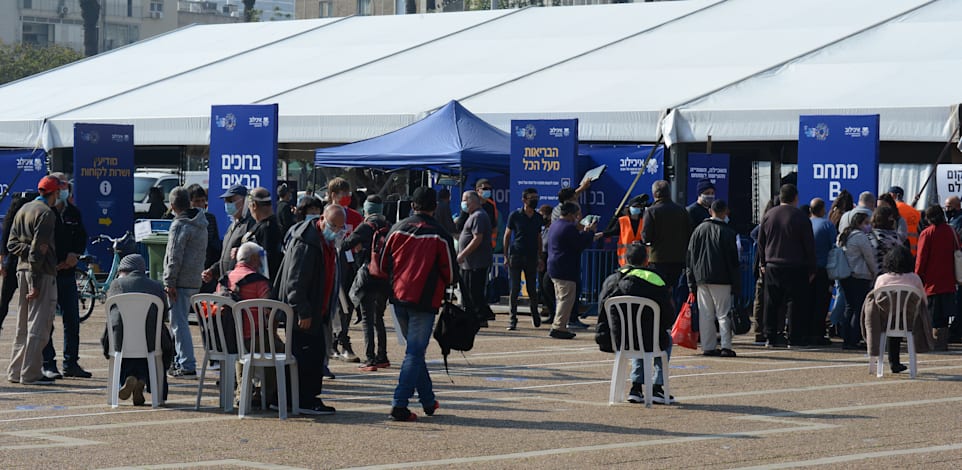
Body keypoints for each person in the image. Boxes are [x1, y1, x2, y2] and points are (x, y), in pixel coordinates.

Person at [379, 187, 456, 421]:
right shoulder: (439, 233)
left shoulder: (397, 228)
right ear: (435, 206)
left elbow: (383, 264)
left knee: (415, 352)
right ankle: (399, 404)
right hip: (424, 299)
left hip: (398, 296)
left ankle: (428, 401)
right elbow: (451, 273)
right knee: (414, 352)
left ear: (412, 205)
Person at [273, 204, 343, 415]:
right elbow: (295, 282)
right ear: (322, 219)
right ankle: (303, 399)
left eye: (340, 228)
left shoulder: (323, 240)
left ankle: (297, 398)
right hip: (304, 311)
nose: (336, 231)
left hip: (317, 309)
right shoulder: (307, 242)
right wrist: (302, 311)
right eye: (333, 226)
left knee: (313, 355)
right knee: (306, 358)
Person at [598, 243, 674, 404]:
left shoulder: (611, 280)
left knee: (639, 335)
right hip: (649, 339)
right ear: (646, 260)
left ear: (625, 259)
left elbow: (602, 311)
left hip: (619, 340)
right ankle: (657, 387)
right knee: (659, 337)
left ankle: (636, 387)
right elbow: (668, 314)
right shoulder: (655, 280)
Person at [6, 175, 63, 385]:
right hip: (40, 273)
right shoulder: (47, 214)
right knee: (39, 324)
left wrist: (27, 251)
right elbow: (39, 250)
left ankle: (15, 370)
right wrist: (35, 282)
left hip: (21, 271)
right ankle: (30, 373)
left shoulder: (23, 209)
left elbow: (11, 244)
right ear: (55, 192)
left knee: (22, 325)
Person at [101, 254, 172, 405]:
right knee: (158, 344)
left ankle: (131, 378)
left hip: (121, 341)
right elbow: (164, 314)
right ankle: (143, 380)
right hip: (151, 342)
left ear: (124, 270)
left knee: (120, 339)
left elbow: (112, 315)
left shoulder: (116, 285)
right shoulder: (156, 286)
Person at [42, 174, 91, 379]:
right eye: (60, 186)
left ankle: (71, 363)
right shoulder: (45, 212)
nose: (63, 190)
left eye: (65, 186)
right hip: (49, 274)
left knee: (72, 319)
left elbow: (81, 238)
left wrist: (75, 255)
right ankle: (48, 363)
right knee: (46, 321)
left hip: (68, 275)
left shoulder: (74, 213)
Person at [757, 184, 816, 348]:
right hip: (796, 265)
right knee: (795, 303)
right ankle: (794, 337)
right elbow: (809, 245)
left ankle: (770, 336)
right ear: (795, 198)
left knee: (771, 302)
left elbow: (761, 242)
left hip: (772, 264)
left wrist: (762, 262)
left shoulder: (769, 215)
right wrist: (812, 268)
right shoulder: (800, 216)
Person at [226, 242, 280, 406]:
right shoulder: (259, 281)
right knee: (279, 350)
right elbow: (270, 311)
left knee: (242, 353)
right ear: (255, 258)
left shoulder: (226, 278)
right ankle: (268, 393)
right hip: (254, 338)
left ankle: (242, 393)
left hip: (229, 339)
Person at [163, 186, 208, 378]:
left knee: (178, 323)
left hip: (179, 281)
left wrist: (169, 281)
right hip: (195, 278)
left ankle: (186, 363)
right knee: (186, 323)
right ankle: (182, 360)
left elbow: (174, 255)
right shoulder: (201, 222)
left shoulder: (179, 225)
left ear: (172, 206)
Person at [343, 195, 391, 371]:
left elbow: (345, 244)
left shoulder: (365, 227)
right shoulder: (389, 227)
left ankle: (370, 359)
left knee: (367, 319)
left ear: (367, 209)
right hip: (385, 278)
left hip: (368, 277)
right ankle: (382, 356)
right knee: (379, 317)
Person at [686, 200, 740, 357]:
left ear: (710, 211)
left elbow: (690, 257)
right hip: (722, 278)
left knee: (706, 314)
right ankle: (726, 346)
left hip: (701, 278)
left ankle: (708, 346)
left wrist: (691, 282)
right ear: (725, 212)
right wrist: (736, 283)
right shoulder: (728, 232)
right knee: (723, 313)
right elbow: (733, 261)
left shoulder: (698, 230)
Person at [869, 246, 931, 373]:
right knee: (900, 317)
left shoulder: (882, 279)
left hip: (884, 321)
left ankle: (890, 363)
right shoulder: (914, 278)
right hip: (909, 321)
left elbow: (875, 300)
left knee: (892, 319)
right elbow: (924, 301)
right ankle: (896, 363)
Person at [547, 202, 597, 339]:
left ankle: (559, 324)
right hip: (565, 268)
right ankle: (559, 327)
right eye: (576, 214)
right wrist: (590, 232)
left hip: (555, 267)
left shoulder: (555, 225)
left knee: (562, 298)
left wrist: (587, 234)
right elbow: (579, 243)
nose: (578, 217)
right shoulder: (568, 227)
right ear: (570, 214)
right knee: (566, 299)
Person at [327, 177, 362, 362]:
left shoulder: (356, 217)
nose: (348, 197)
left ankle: (341, 339)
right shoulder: (325, 216)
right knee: (334, 304)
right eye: (344, 194)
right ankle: (335, 341)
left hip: (351, 265)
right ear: (334, 195)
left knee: (348, 304)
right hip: (332, 264)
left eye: (349, 194)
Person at [915, 205, 957, 350]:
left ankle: (932, 342)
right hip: (949, 279)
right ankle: (942, 343)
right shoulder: (951, 231)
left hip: (931, 282)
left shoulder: (927, 233)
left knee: (931, 315)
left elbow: (921, 259)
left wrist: (917, 276)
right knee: (945, 316)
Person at [503, 188, 544, 330]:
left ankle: (535, 314)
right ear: (524, 200)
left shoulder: (538, 217)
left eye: (536, 197)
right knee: (514, 289)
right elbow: (507, 236)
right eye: (532, 197)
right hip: (516, 254)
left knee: (532, 288)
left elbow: (539, 238)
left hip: (532, 256)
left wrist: (540, 256)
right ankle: (512, 319)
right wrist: (505, 256)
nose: (535, 200)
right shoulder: (515, 215)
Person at [642, 180, 691, 295]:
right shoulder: (681, 210)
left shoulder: (651, 211)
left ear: (655, 194)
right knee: (677, 290)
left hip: (658, 258)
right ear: (669, 193)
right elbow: (689, 232)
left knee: (659, 290)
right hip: (679, 258)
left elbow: (646, 237)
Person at [837, 212, 877, 350]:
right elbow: (869, 257)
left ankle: (846, 338)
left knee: (849, 307)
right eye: (866, 223)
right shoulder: (860, 237)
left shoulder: (844, 236)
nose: (869, 226)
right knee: (858, 308)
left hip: (845, 276)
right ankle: (854, 338)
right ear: (860, 223)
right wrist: (874, 272)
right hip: (859, 275)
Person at [202, 184, 254, 287]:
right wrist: (213, 270)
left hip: (240, 286)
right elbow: (224, 258)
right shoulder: (233, 226)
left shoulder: (250, 225)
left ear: (245, 201)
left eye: (231, 200)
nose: (227, 204)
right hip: (226, 285)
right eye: (226, 201)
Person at [458, 191, 494, 327]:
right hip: (469, 264)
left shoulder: (479, 216)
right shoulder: (472, 216)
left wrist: (463, 254)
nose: (463, 204)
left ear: (471, 201)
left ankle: (480, 318)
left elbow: (477, 238)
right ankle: (473, 316)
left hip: (476, 262)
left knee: (475, 292)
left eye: (464, 200)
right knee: (468, 291)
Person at [0, 192, 33, 336]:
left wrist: (2, 264)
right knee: (29, 302)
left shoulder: (11, 220)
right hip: (24, 264)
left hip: (13, 263)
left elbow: (4, 244)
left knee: (5, 300)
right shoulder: (28, 219)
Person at [808, 198, 837, 346]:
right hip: (822, 269)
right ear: (822, 209)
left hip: (806, 269)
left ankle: (807, 331)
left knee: (808, 302)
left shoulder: (806, 223)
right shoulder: (827, 225)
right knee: (821, 303)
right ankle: (818, 333)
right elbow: (834, 246)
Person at [240, 187, 283, 281]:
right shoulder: (262, 226)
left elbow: (268, 262)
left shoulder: (268, 228)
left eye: (249, 205)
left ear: (254, 205)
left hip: (259, 286)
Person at [187, 184, 221, 295]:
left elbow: (215, 244)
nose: (200, 205)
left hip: (206, 270)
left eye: (202, 201)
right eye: (196, 201)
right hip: (190, 272)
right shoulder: (184, 221)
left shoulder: (210, 218)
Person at [602, 195, 649, 267]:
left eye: (638, 207)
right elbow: (613, 231)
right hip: (626, 259)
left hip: (641, 259)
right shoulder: (622, 221)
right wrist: (601, 234)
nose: (637, 209)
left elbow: (648, 237)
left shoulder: (644, 222)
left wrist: (640, 242)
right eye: (634, 207)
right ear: (629, 208)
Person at [456, 179, 499, 246]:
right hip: (470, 242)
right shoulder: (470, 205)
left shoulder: (490, 206)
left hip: (486, 244)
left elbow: (493, 225)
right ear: (477, 190)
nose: (488, 191)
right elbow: (460, 225)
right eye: (485, 188)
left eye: (489, 189)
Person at [889, 186, 921, 255]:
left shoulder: (892, 210)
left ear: (896, 195)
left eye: (890, 194)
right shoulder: (916, 212)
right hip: (915, 253)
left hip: (898, 253)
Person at [538, 204, 556, 324]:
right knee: (543, 287)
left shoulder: (553, 228)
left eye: (543, 215)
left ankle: (555, 313)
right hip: (542, 258)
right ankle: (550, 312)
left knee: (548, 285)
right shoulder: (542, 229)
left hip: (550, 258)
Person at [872, 206, 903, 272]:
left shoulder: (870, 235)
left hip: (873, 273)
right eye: (891, 217)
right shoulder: (894, 238)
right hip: (889, 274)